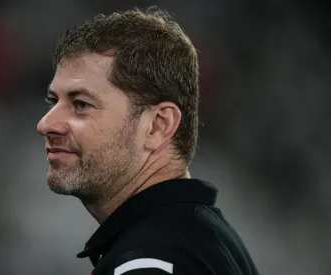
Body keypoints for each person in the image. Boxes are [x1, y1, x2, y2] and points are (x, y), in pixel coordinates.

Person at [36, 6, 259, 275]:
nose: (46, 124)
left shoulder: (153, 262)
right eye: (53, 101)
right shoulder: (197, 240)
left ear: (158, 125)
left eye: (81, 104)